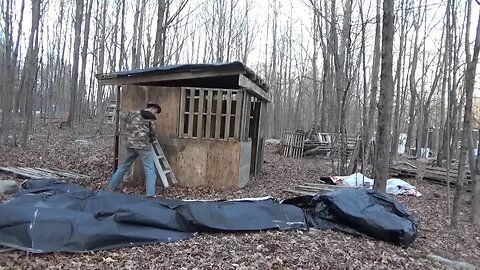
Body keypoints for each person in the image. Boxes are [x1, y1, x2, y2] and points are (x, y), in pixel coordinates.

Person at [107, 102, 161, 197]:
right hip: (143, 147)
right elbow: (153, 133)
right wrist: (152, 140)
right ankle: (150, 195)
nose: (155, 114)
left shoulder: (133, 113)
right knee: (150, 169)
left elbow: (122, 116)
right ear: (152, 109)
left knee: (124, 166)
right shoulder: (150, 117)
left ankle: (111, 187)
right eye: (155, 112)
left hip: (131, 145)